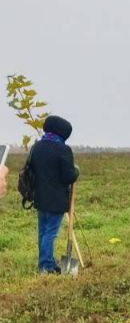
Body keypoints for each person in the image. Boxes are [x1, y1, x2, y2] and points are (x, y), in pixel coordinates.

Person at [29, 114, 79, 274]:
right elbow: (68, 176)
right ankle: (46, 266)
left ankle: (47, 261)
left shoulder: (37, 147)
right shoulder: (63, 150)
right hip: (56, 199)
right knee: (50, 232)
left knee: (43, 231)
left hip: (40, 197)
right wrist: (76, 171)